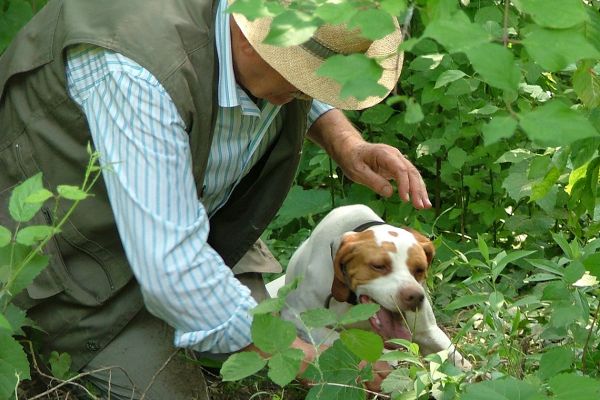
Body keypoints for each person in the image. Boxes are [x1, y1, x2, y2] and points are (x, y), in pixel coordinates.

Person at [0, 0, 431, 398]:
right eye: (301, 80)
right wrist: (307, 359)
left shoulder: (254, 34)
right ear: (250, 34)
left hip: (197, 228)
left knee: (263, 350)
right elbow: (172, 265)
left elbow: (303, 74)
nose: (307, 93)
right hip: (75, 260)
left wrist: (346, 144)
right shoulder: (134, 68)